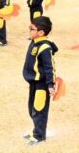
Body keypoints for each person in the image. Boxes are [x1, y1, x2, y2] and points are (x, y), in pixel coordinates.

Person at [22, 16, 58, 145]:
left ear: (41, 32)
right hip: (34, 82)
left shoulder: (45, 47)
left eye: (31, 29)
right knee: (32, 108)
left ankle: (39, 135)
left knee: (39, 109)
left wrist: (50, 85)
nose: (29, 31)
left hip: (41, 84)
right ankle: (36, 130)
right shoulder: (35, 41)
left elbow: (49, 68)